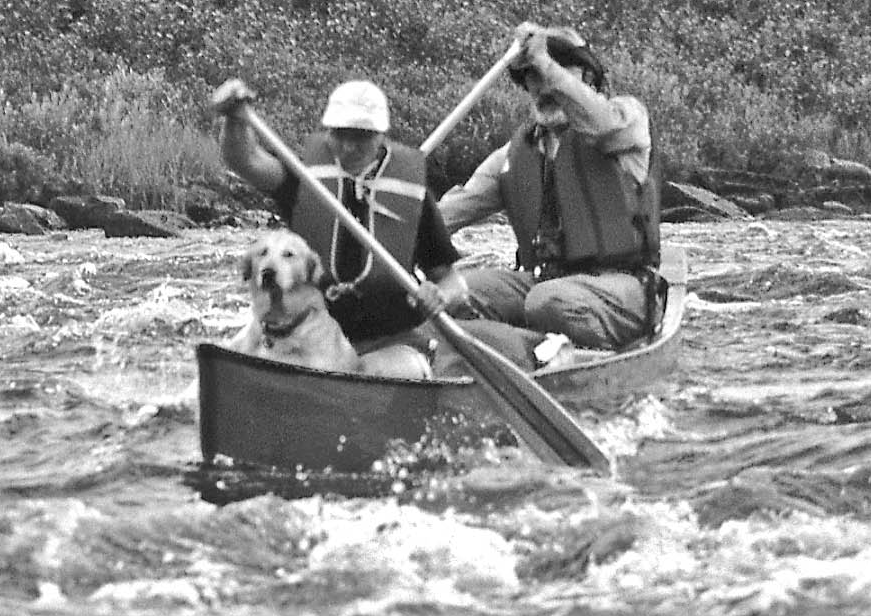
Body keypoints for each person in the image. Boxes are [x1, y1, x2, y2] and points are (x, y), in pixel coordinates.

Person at [438, 22, 663, 367]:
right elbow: (442, 217)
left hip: (623, 285)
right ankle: (521, 354)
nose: (544, 84)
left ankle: (581, 360)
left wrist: (544, 61)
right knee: (454, 295)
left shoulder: (627, 120)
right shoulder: (513, 156)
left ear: (588, 77)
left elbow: (601, 123)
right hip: (546, 283)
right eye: (532, 76)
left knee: (548, 302)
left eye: (557, 69)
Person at [213, 77, 468, 379]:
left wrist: (439, 297)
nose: (348, 147)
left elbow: (453, 283)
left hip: (390, 341)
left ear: (381, 136)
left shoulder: (413, 194)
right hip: (309, 334)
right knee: (246, 350)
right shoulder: (305, 179)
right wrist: (234, 118)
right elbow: (245, 160)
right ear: (328, 131)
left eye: (361, 137)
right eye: (340, 135)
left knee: (380, 371)